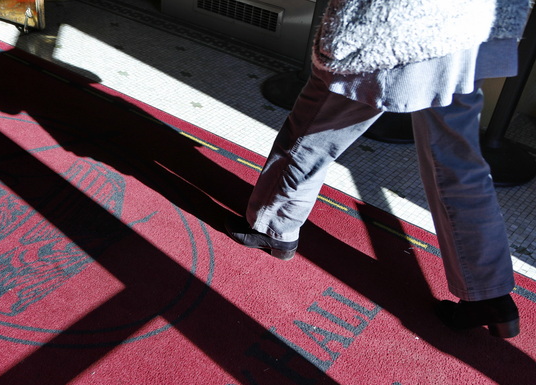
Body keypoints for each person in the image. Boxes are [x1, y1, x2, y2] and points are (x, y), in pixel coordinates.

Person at [226, 0, 532, 338]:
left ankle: (273, 227)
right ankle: (491, 295)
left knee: (315, 126)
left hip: (398, 25)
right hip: (468, 27)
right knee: (459, 161)